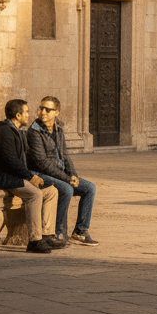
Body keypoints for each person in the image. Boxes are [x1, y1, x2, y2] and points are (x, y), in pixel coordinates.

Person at [0, 99, 61, 253]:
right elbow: (11, 163)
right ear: (18, 115)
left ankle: (47, 235)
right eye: (26, 112)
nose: (29, 114)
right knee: (34, 194)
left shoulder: (17, 131)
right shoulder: (4, 132)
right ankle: (34, 240)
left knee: (51, 191)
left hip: (14, 177)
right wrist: (31, 177)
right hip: (2, 179)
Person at [27, 96, 99, 246]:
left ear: (57, 112)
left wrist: (74, 175)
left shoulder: (59, 130)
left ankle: (80, 232)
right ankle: (57, 232)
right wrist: (67, 179)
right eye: (41, 108)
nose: (43, 112)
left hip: (60, 174)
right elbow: (41, 162)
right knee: (66, 189)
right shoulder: (34, 132)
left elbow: (65, 156)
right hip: (40, 174)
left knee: (89, 188)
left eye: (48, 109)